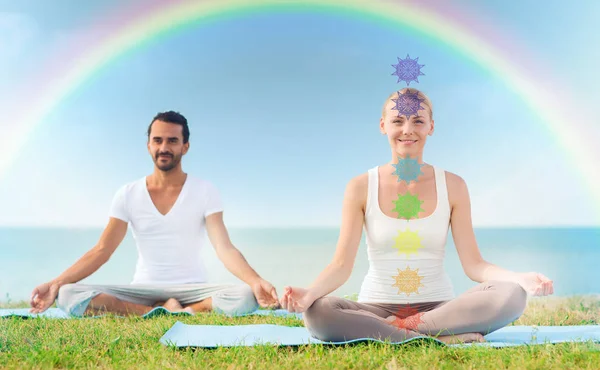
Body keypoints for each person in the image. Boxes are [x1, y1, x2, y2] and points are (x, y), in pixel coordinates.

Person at [280, 88, 554, 344]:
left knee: (512, 294)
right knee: (319, 313)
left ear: (431, 127)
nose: (407, 130)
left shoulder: (454, 186)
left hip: (439, 308)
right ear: (383, 126)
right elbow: (341, 265)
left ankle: (405, 333)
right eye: (398, 121)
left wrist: (519, 277)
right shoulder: (360, 187)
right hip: (376, 308)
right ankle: (438, 338)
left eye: (418, 121)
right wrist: (310, 294)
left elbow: (475, 265)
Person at [30, 111, 279, 317]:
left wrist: (256, 280)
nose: (164, 147)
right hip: (142, 288)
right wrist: (55, 283)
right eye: (158, 140)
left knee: (246, 294)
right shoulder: (127, 193)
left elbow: (225, 249)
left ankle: (188, 309)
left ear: (185, 146)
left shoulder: (205, 191)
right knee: (67, 294)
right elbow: (102, 250)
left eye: (172, 141)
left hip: (194, 287)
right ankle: (153, 310)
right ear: (149, 145)